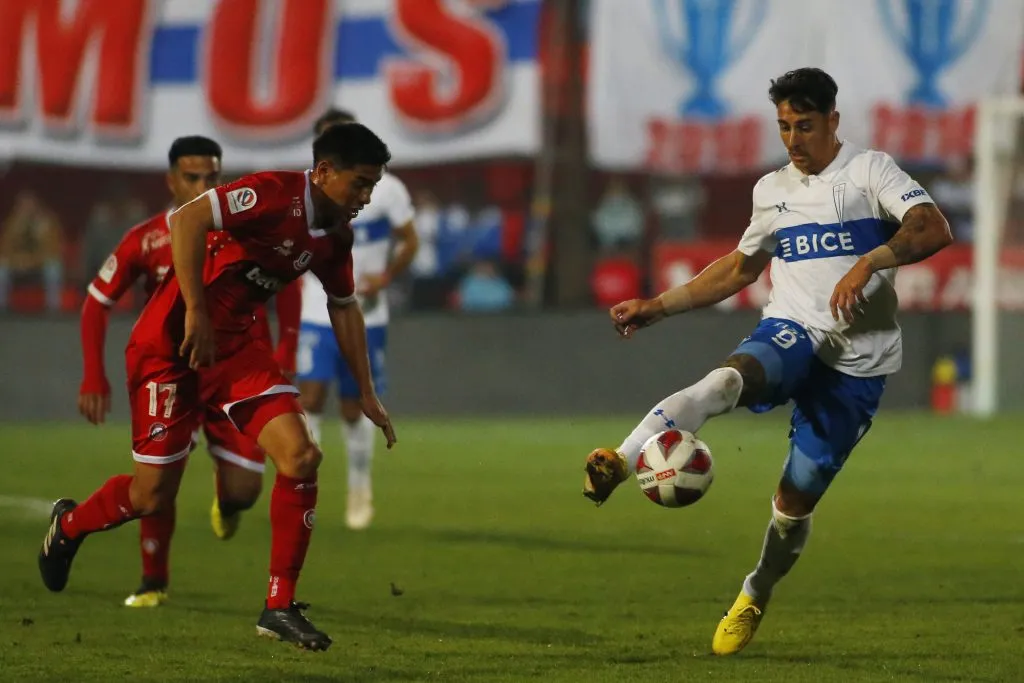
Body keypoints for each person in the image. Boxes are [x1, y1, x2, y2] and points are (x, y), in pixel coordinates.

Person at [582, 68, 953, 655]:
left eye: (804, 126)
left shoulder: (869, 170)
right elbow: (740, 267)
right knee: (730, 377)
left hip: (857, 365)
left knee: (793, 503)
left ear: (833, 120)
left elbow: (932, 227)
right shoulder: (772, 190)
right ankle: (622, 460)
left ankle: (755, 590)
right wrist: (658, 305)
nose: (793, 141)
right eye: (784, 127)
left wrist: (869, 261)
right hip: (792, 330)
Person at [41, 123, 397, 651]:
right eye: (360, 184)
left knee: (301, 457)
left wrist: (366, 392)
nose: (366, 197)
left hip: (236, 351)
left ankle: (278, 605)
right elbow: (187, 219)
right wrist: (198, 314)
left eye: (373, 186)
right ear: (323, 172)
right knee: (150, 494)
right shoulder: (273, 193)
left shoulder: (335, 236)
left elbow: (344, 308)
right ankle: (69, 524)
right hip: (170, 346)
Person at [78, 136, 301, 608]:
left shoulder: (243, 227)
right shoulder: (147, 237)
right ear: (172, 180)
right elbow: (97, 302)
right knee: (158, 482)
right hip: (172, 369)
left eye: (212, 176)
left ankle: (228, 500)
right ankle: (152, 579)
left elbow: (290, 278)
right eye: (193, 177)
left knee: (245, 491)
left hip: (231, 369)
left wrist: (289, 343)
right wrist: (93, 374)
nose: (204, 184)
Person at [296, 108, 418, 530]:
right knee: (309, 398)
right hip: (313, 308)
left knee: (353, 406)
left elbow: (410, 241)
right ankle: (304, 485)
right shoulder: (306, 191)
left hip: (366, 312)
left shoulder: (387, 190)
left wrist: (385, 276)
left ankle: (360, 487)